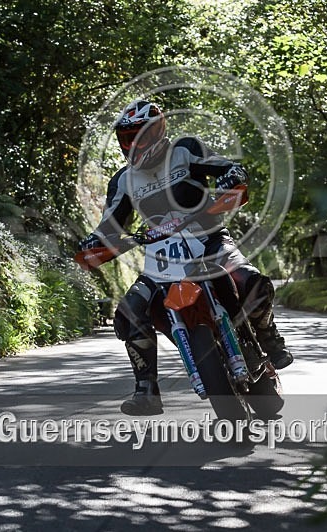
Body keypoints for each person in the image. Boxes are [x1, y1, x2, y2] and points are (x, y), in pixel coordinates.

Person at [78, 100, 292, 415]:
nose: (132, 145)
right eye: (126, 138)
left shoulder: (185, 149)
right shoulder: (123, 180)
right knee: (129, 311)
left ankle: (269, 338)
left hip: (210, 239)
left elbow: (225, 167)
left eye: (138, 136)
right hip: (160, 259)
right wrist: (94, 242)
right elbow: (109, 226)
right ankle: (146, 390)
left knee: (252, 281)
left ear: (156, 131)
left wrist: (232, 176)